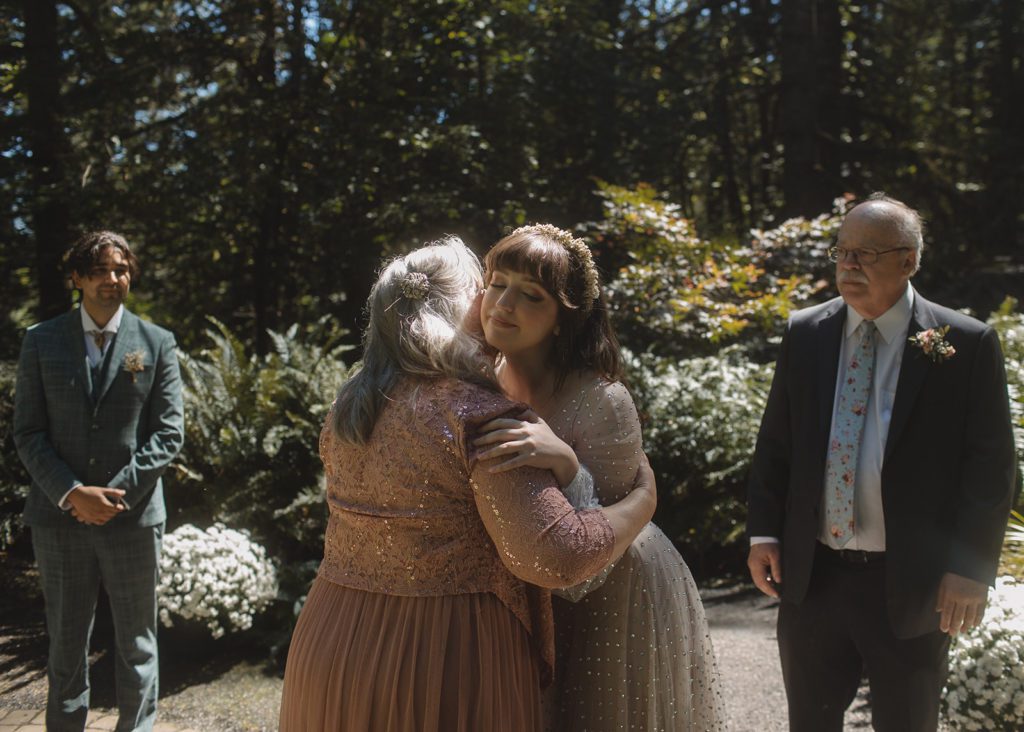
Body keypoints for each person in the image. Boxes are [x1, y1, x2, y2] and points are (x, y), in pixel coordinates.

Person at [277, 236, 658, 732]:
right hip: (442, 651)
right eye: (485, 287)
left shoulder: (352, 404)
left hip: (332, 634)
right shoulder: (478, 416)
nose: (495, 303)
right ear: (459, 307)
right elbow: (553, 556)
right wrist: (642, 501)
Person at [746, 194, 1016, 731]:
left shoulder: (964, 343)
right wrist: (763, 534)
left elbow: (991, 467)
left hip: (912, 581)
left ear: (908, 261)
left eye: (866, 254)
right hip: (815, 576)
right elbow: (776, 443)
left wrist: (970, 568)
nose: (849, 266)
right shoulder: (806, 332)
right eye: (842, 252)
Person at [473, 224, 725, 731]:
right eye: (497, 283)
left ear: (564, 319)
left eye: (531, 295)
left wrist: (565, 462)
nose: (503, 303)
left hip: (612, 598)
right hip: (516, 594)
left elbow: (593, 556)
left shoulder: (603, 402)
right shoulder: (474, 382)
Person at [14, 231, 185, 732]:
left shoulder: (156, 342)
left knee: (137, 642)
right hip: (59, 519)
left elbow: (169, 432)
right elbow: (27, 431)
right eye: (100, 271)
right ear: (77, 278)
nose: (113, 280)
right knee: (66, 642)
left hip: (132, 519)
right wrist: (72, 493)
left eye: (121, 270)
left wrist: (116, 495)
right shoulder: (41, 341)